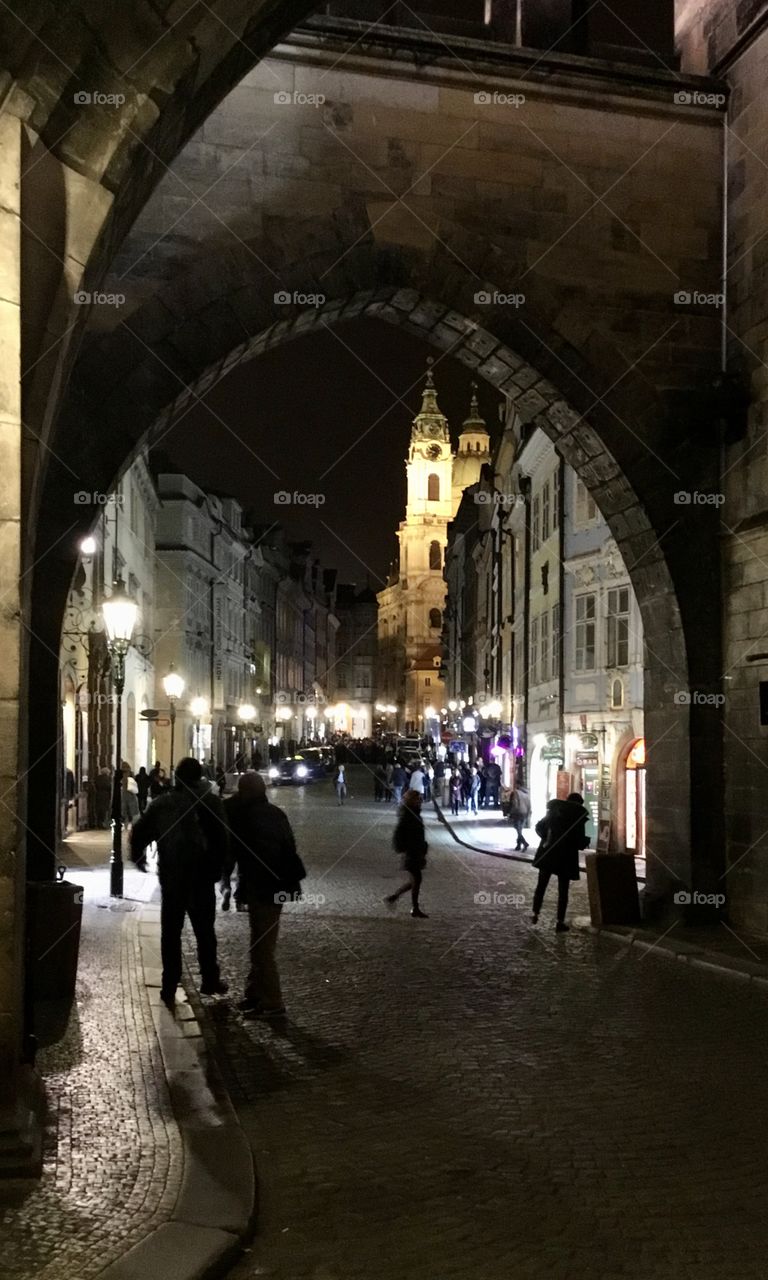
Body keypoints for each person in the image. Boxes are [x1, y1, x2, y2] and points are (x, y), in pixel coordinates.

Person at [130, 757, 229, 1009]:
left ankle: (169, 984)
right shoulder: (211, 803)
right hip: (201, 878)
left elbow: (141, 831)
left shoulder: (163, 803)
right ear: (199, 777)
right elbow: (222, 840)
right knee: (205, 932)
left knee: (171, 933)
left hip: (173, 878)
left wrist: (138, 856)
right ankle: (209, 979)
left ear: (177, 778)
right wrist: (222, 872)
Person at [225, 772, 305, 1017]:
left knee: (263, 948)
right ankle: (254, 994)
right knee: (259, 943)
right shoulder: (275, 813)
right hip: (277, 888)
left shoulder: (247, 817)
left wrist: (231, 883)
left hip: (265, 888)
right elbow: (289, 846)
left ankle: (273, 1002)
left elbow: (239, 853)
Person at [531, 791, 590, 932]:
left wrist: (547, 839)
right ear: (579, 803)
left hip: (548, 853)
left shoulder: (554, 810)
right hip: (566, 857)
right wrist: (585, 841)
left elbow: (539, 827)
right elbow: (579, 841)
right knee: (563, 891)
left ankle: (535, 913)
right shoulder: (578, 815)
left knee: (541, 885)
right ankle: (560, 922)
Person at [385, 789, 429, 918]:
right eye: (417, 798)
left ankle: (394, 898)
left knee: (415, 880)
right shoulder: (408, 815)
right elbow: (400, 834)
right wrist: (406, 848)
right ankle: (414, 908)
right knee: (416, 879)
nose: (420, 800)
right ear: (412, 801)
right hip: (412, 851)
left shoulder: (413, 813)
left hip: (416, 850)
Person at [508, 785, 531, 850]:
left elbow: (514, 803)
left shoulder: (516, 793)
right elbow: (529, 805)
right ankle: (518, 845)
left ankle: (525, 843)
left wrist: (511, 813)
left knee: (518, 829)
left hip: (517, 812)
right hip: (525, 813)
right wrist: (528, 814)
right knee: (519, 829)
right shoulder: (527, 794)